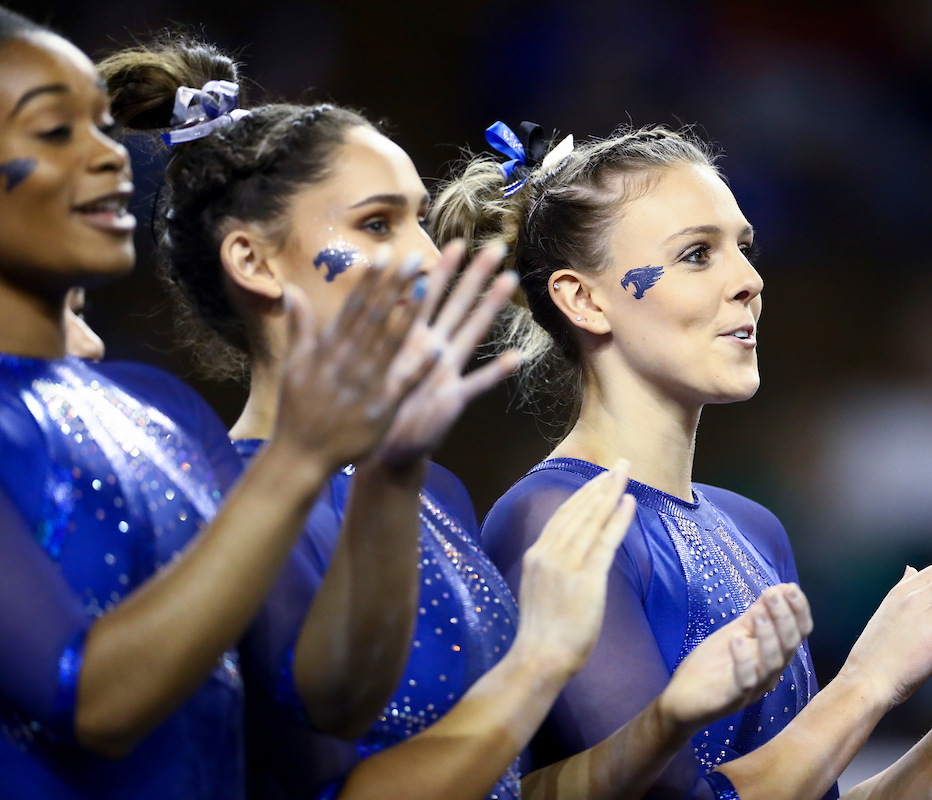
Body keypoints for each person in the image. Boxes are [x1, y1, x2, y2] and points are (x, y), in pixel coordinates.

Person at [101, 39, 816, 800]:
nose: (425, 255)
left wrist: (664, 722)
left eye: (417, 220)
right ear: (254, 261)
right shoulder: (220, 502)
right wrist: (547, 662)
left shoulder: (434, 492)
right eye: (378, 225)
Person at [432, 124, 932, 800]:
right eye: (698, 255)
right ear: (583, 298)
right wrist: (868, 680)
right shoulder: (555, 519)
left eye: (744, 247)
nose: (749, 280)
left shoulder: (753, 527)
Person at [0, 9, 451, 798]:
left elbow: (326, 710)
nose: (110, 156)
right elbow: (92, 701)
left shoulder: (163, 411)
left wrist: (392, 473)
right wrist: (302, 457)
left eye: (101, 129)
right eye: (53, 132)